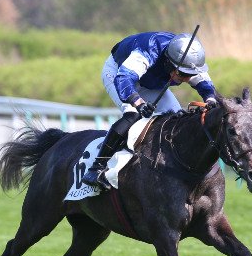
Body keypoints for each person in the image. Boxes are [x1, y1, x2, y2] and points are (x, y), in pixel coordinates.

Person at [81, 31, 218, 190]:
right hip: (118, 73)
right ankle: (96, 167)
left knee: (177, 118)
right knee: (133, 114)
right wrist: (139, 103)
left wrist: (210, 100)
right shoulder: (149, 50)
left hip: (151, 80)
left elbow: (208, 89)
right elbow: (124, 79)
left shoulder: (189, 61)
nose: (186, 79)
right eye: (182, 74)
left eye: (189, 75)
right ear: (169, 63)